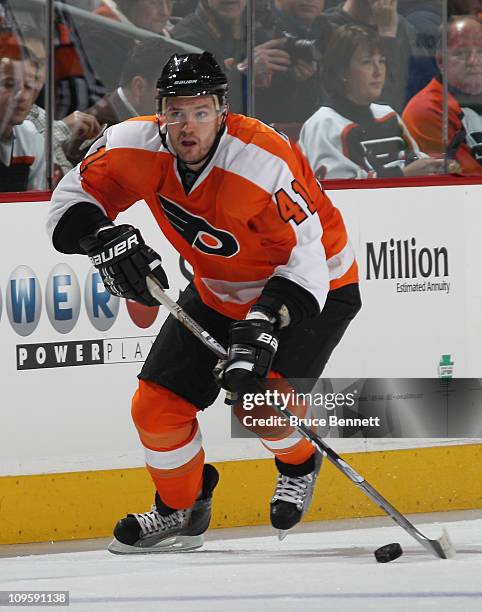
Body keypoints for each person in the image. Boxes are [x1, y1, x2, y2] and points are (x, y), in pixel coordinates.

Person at [47, 52, 361, 553]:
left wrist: (263, 323)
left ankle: (299, 462)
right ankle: (181, 509)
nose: (187, 126)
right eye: (175, 112)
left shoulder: (263, 159)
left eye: (200, 111)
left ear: (222, 111)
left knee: (258, 401)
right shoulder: (132, 144)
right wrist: (100, 236)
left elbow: (309, 259)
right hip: (217, 285)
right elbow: (69, 199)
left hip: (315, 284)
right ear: (159, 113)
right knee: (156, 406)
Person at [299, 25, 454, 179]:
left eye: (382, 61)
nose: (378, 71)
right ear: (343, 71)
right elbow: (338, 189)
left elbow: (415, 160)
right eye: (367, 62)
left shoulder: (388, 114)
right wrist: (403, 175)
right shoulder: (323, 124)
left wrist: (436, 166)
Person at [402, 15, 482, 175]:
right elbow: (464, 181)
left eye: (481, 51)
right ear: (440, 61)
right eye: (461, 53)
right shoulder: (426, 109)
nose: (474, 61)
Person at [20, 27, 101, 178]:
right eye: (27, 61)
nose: (35, 72)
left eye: (41, 63)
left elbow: (64, 181)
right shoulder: (13, 116)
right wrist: (62, 128)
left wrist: (72, 147)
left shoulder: (39, 115)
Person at [323, 0, 424, 112]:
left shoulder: (404, 28)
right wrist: (387, 38)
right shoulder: (327, 28)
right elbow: (380, 101)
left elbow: (418, 94)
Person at [0, 45, 46, 191]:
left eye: (29, 86)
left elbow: (36, 203)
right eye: (9, 84)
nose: (22, 96)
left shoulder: (33, 138)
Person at [94, 0, 175, 36]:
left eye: (169, 2)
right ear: (127, 3)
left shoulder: (167, 36)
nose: (165, 12)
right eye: (154, 2)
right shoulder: (97, 39)